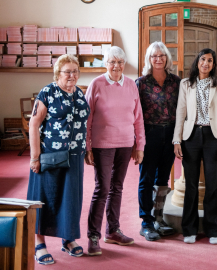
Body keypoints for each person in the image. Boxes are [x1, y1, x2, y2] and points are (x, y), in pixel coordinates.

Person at [27, 54, 90, 265]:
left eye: (75, 71)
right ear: (57, 74)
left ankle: (68, 238)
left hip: (75, 157)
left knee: (70, 199)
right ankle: (39, 243)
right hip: (50, 157)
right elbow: (33, 125)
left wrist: (86, 149)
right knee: (44, 198)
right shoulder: (48, 92)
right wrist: (34, 158)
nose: (72, 75)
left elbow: (83, 125)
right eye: (67, 71)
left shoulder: (79, 93)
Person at [85, 46, 145, 255]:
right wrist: (88, 146)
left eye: (120, 62)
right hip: (102, 144)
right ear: (105, 63)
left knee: (117, 187)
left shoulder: (131, 85)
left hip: (125, 143)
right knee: (102, 189)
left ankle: (113, 230)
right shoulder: (96, 84)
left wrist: (140, 146)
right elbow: (88, 119)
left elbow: (138, 118)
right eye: (112, 62)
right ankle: (93, 235)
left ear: (124, 64)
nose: (116, 66)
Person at [173, 48, 217, 245]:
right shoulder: (186, 84)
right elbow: (181, 113)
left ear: (213, 65)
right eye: (203, 59)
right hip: (191, 137)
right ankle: (189, 229)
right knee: (191, 185)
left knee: (212, 185)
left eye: (210, 61)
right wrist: (177, 140)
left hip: (214, 137)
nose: (206, 63)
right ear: (197, 62)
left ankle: (213, 229)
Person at [136, 41, 181, 241]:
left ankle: (158, 219)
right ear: (149, 59)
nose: (158, 59)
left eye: (161, 56)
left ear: (167, 58)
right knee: (146, 179)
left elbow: (182, 111)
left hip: (170, 134)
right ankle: (146, 222)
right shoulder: (141, 82)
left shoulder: (176, 81)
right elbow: (135, 114)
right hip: (149, 134)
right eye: (154, 56)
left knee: (162, 180)